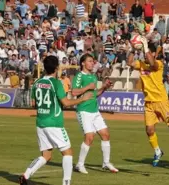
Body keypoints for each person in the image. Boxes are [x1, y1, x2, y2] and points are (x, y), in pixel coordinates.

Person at [19, 56, 93, 185]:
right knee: (68, 153)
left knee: (46, 155)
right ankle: (66, 183)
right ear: (56, 68)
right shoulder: (56, 83)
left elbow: (32, 103)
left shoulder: (37, 82)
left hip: (40, 122)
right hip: (54, 123)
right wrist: (83, 99)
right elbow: (66, 102)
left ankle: (25, 175)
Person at [127, 37, 169, 167]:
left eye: (147, 52)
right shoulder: (141, 64)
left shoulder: (158, 64)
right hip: (149, 103)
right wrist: (133, 50)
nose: (146, 55)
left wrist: (145, 46)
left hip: (161, 101)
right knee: (149, 130)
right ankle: (158, 151)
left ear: (151, 53)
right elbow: (129, 63)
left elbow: (152, 64)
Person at [71, 54, 118, 174]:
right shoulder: (79, 76)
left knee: (106, 135)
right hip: (83, 110)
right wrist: (87, 87)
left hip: (94, 111)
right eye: (90, 61)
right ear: (83, 63)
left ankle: (106, 163)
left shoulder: (93, 77)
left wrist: (104, 87)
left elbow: (95, 94)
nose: (92, 63)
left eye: (93, 61)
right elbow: (74, 92)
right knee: (89, 137)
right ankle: (79, 165)